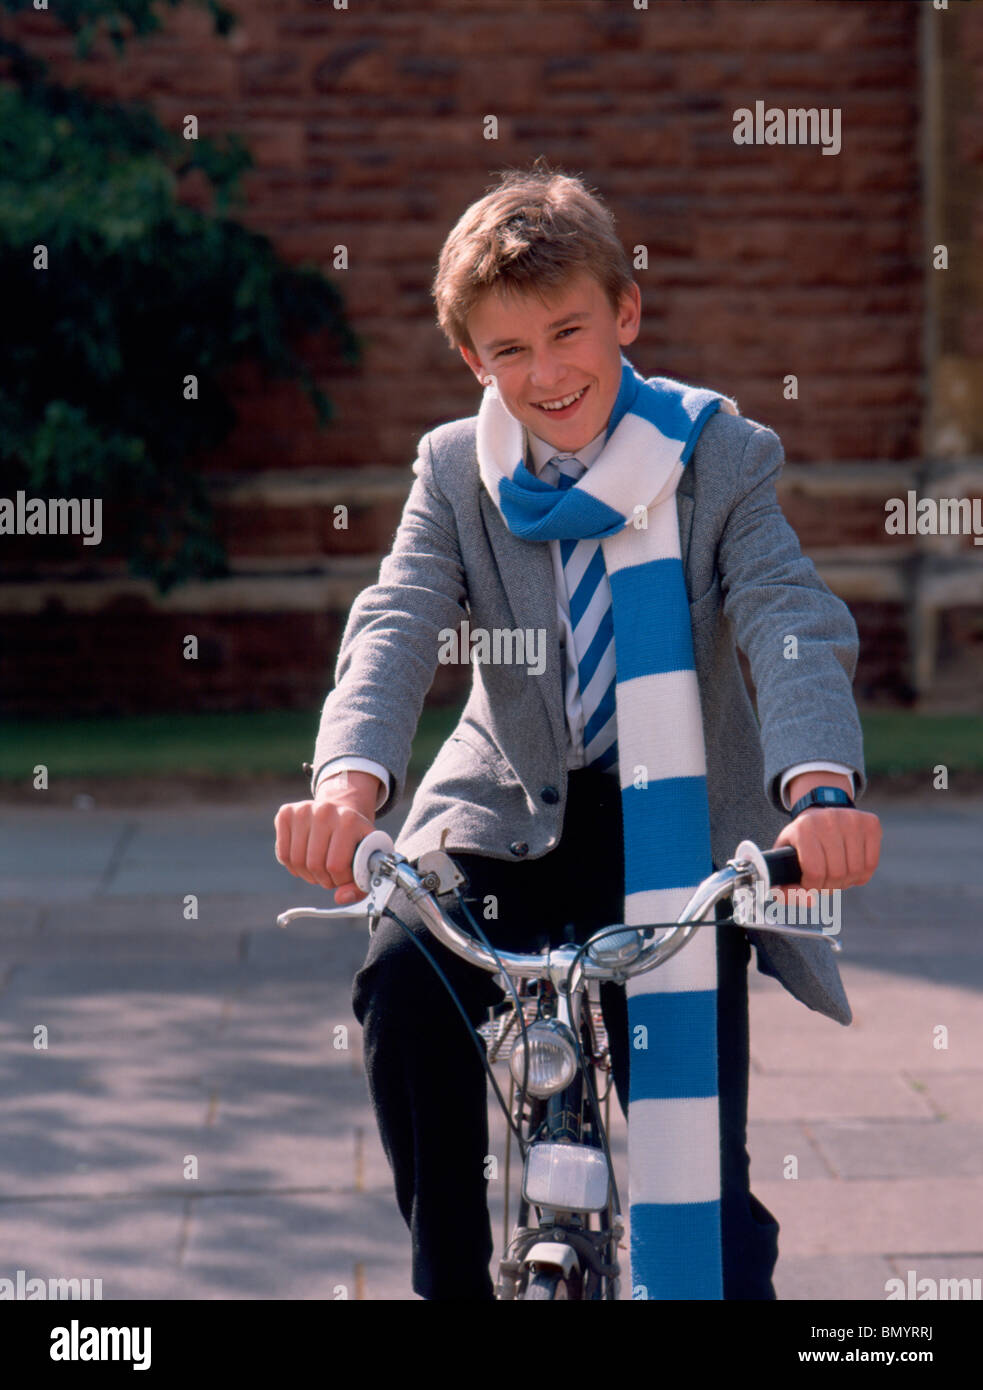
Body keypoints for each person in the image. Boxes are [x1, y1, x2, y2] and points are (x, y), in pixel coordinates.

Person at [274, 160, 882, 1301]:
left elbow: (787, 616)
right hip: (510, 804)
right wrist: (349, 786)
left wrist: (818, 787)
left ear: (625, 314)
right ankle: (449, 1280)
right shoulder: (459, 472)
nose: (545, 374)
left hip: (672, 815)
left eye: (568, 332)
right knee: (407, 981)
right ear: (472, 362)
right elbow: (398, 617)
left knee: (697, 1166)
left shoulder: (715, 457)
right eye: (508, 351)